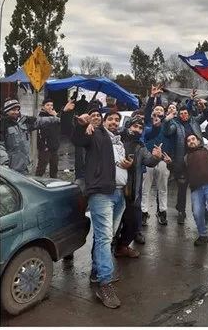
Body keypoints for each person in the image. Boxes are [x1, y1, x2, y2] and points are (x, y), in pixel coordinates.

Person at [72, 109, 129, 309]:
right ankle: (105, 283)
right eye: (110, 119)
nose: (114, 122)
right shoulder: (95, 134)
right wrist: (81, 125)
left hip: (119, 194)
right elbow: (79, 140)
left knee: (106, 236)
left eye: (117, 119)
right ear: (103, 122)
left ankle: (96, 271)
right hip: (101, 194)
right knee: (105, 237)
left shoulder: (120, 142)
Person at [163, 92, 208, 225]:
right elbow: (168, 131)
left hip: (198, 160)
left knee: (201, 185)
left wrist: (206, 105)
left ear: (189, 114)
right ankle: (181, 211)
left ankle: (204, 210)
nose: (184, 115)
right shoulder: (176, 124)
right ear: (178, 115)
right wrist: (167, 121)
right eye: (181, 114)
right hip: (182, 161)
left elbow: (206, 114)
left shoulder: (195, 121)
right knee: (182, 187)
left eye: (185, 113)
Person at [115, 115, 163, 255]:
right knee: (114, 223)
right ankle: (113, 245)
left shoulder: (140, 146)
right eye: (134, 126)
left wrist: (157, 157)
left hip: (132, 190)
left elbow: (149, 161)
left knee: (133, 222)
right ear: (128, 126)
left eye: (140, 128)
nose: (137, 129)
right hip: (115, 188)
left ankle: (122, 246)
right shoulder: (117, 141)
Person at [0, 98, 63, 174]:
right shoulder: (2, 125)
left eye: (17, 109)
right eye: (13, 110)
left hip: (27, 165)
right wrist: (4, 162)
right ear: (6, 111)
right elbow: (0, 146)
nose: (16, 112)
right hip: (12, 167)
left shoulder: (25, 120)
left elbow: (40, 121)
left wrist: (56, 119)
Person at [141, 85, 172, 226]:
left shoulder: (167, 123)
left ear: (164, 113)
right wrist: (153, 97)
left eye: (161, 110)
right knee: (145, 186)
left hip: (162, 159)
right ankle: (144, 212)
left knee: (162, 187)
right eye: (156, 109)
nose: (158, 111)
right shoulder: (148, 121)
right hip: (147, 158)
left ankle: (162, 212)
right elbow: (147, 111)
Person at [36, 99, 72, 178]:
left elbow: (61, 124)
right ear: (43, 107)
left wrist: (57, 114)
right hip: (45, 148)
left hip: (55, 147)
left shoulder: (55, 116)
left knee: (54, 168)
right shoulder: (41, 118)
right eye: (48, 105)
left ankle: (54, 183)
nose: (50, 107)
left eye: (51, 105)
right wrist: (43, 146)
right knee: (41, 168)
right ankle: (37, 182)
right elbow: (38, 134)